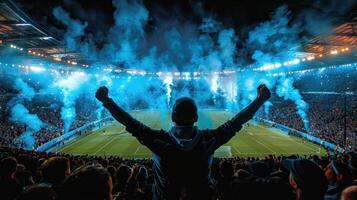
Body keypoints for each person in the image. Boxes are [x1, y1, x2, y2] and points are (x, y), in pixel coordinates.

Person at [96, 84, 271, 200]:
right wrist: (260, 99)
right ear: (196, 117)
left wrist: (106, 100)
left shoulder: (159, 140)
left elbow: (129, 122)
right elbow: (236, 122)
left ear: (172, 117)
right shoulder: (208, 139)